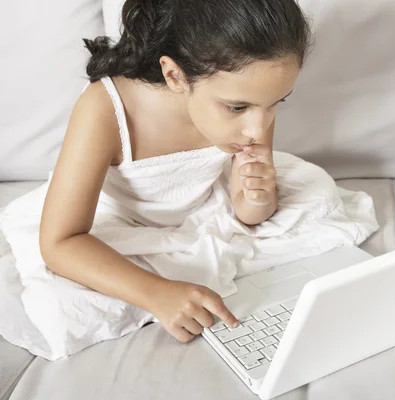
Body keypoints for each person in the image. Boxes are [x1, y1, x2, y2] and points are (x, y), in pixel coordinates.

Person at [38, 0, 311, 344]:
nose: (258, 128)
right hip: (121, 226)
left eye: (276, 103)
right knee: (65, 308)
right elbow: (59, 242)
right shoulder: (105, 108)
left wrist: (258, 197)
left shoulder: (253, 105)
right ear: (174, 75)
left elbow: (248, 210)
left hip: (205, 212)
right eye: (237, 108)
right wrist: (157, 293)